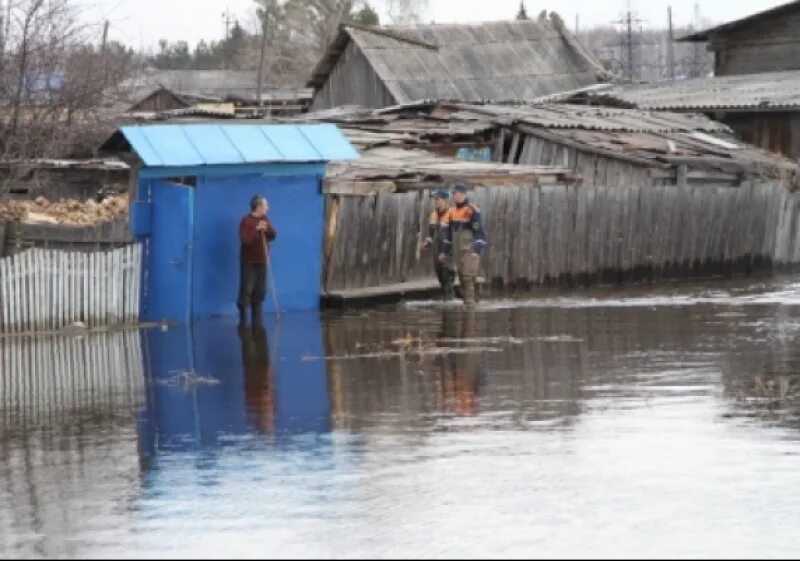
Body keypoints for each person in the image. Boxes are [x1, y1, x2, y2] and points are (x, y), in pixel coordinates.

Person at [441, 183, 486, 307]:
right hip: (458, 253)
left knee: (468, 279)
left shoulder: (472, 210)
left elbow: (480, 232)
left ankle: (470, 310)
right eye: (453, 194)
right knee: (462, 281)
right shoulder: (452, 212)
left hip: (469, 251)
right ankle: (471, 307)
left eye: (456, 193)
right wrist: (444, 251)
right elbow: (449, 235)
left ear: (463, 194)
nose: (454, 196)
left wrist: (477, 250)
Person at [238, 195, 277, 326]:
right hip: (249, 262)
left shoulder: (265, 219)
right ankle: (243, 324)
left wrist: (267, 228)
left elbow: (273, 235)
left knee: (260, 292)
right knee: (246, 292)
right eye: (266, 205)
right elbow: (246, 241)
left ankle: (257, 324)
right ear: (258, 206)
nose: (268, 207)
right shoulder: (246, 221)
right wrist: (256, 229)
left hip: (262, 261)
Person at [422, 188, 456, 300]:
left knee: (447, 277)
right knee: (441, 278)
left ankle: (450, 304)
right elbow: (431, 235)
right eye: (434, 199)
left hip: (448, 253)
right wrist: (427, 243)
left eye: (438, 199)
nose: (435, 201)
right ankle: (448, 301)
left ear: (445, 200)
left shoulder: (452, 214)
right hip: (436, 253)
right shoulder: (433, 215)